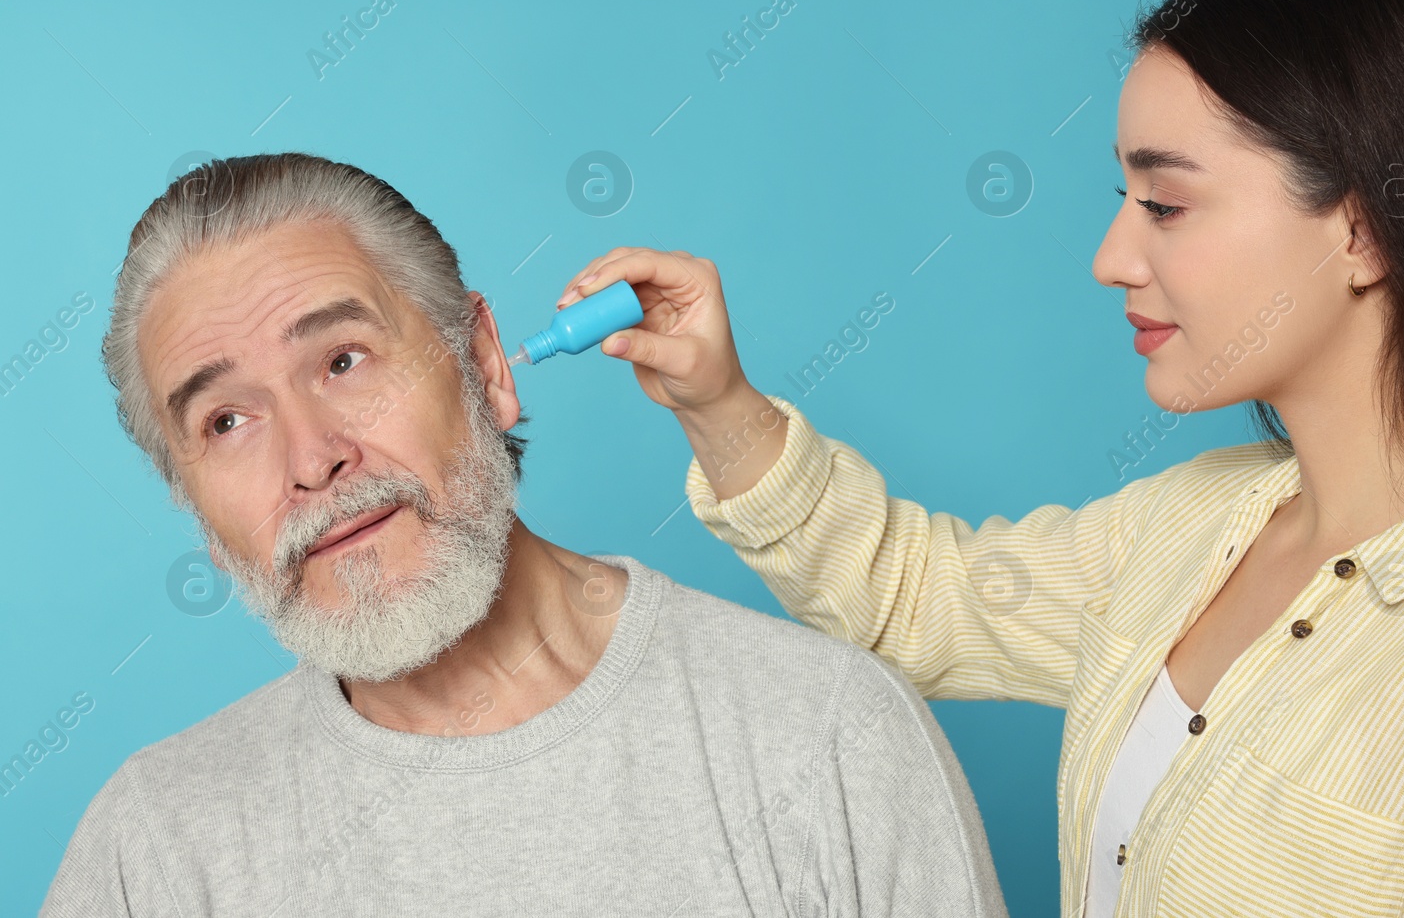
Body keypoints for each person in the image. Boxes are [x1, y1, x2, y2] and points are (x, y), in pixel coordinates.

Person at [553, 0, 1404, 916]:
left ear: (1365, 228)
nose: (1110, 258)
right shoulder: (1185, 526)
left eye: (1166, 203)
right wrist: (717, 401)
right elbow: (916, 597)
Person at [40, 152, 1009, 917]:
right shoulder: (151, 850)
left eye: (342, 359)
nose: (311, 458)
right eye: (225, 421)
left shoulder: (825, 737)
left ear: (486, 366)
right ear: (199, 515)